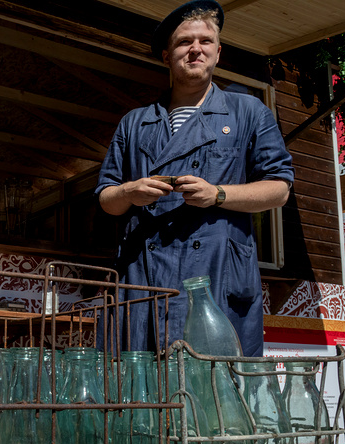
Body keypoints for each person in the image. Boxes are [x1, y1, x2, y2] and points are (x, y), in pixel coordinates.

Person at [95, 0, 293, 357]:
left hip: (216, 271)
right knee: (142, 384)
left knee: (217, 390)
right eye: (185, 42)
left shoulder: (248, 112)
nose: (195, 49)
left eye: (205, 41)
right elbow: (107, 199)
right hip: (144, 274)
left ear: (218, 52)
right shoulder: (134, 122)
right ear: (166, 55)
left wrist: (217, 194)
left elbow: (279, 189)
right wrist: (130, 190)